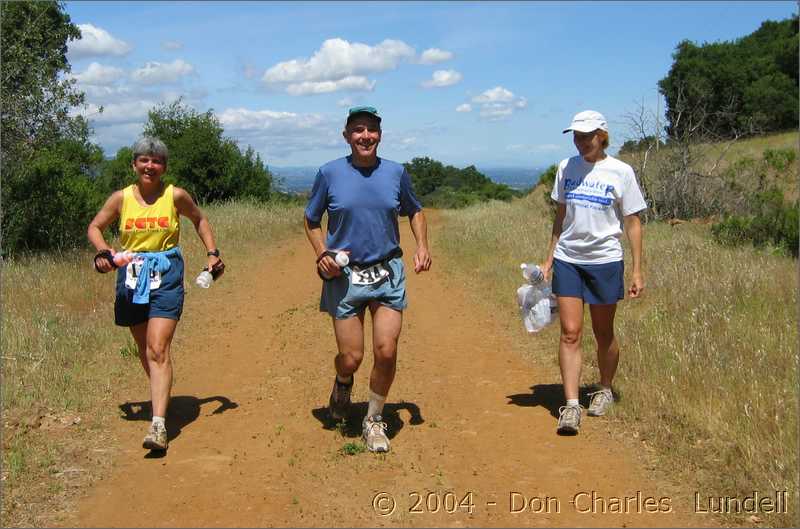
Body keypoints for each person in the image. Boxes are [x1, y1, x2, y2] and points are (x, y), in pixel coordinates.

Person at [304, 106, 432, 453]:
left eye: (372, 130)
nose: (365, 136)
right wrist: (322, 253)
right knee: (352, 356)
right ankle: (343, 380)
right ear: (346, 136)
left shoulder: (395, 173)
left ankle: (373, 419)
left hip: (387, 271)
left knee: (386, 350)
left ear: (380, 134)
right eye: (358, 130)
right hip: (344, 276)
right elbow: (311, 218)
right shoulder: (329, 173)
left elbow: (415, 209)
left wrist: (421, 245)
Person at [87, 137, 224, 451]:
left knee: (157, 348)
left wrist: (212, 253)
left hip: (167, 272)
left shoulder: (175, 196)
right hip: (131, 275)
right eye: (144, 160)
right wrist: (105, 252)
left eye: (157, 161)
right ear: (134, 164)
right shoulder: (121, 199)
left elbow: (199, 219)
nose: (150, 166)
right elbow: (95, 226)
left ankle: (158, 425)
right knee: (143, 346)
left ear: (164, 167)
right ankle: (161, 393)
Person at [540, 110, 646, 435]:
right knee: (570, 332)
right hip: (569, 259)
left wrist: (637, 269)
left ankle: (604, 388)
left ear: (602, 135)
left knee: (604, 333)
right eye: (577, 135)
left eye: (587, 136)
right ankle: (571, 406)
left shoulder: (620, 171)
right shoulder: (566, 168)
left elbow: (632, 221)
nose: (581, 142)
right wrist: (549, 258)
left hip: (605, 260)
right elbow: (560, 216)